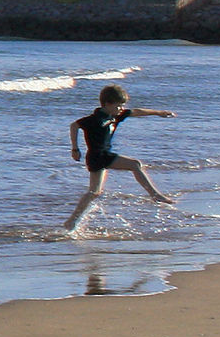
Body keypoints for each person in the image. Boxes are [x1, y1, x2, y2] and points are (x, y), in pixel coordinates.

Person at [64, 84, 176, 230]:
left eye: (122, 106)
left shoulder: (116, 115)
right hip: (97, 156)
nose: (121, 109)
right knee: (135, 164)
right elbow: (74, 125)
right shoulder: (94, 119)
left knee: (94, 192)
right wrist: (75, 148)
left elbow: (136, 111)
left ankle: (72, 221)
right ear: (107, 104)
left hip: (101, 156)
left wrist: (159, 112)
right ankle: (155, 195)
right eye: (118, 106)